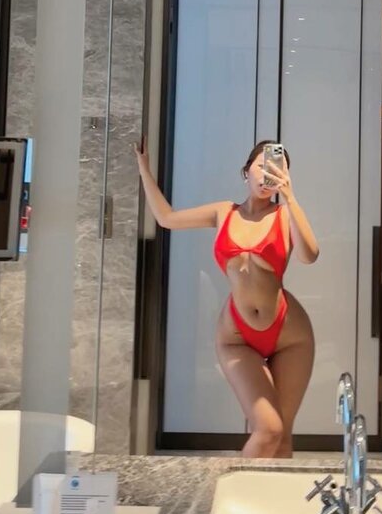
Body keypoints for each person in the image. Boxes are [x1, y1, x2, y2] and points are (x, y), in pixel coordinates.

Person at [134, 138, 319, 458]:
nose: (267, 174)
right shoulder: (224, 212)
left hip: (290, 334)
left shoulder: (284, 214)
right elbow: (167, 218)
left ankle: (270, 493)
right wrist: (143, 169)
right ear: (246, 171)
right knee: (268, 430)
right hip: (237, 337)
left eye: (277, 168)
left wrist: (290, 198)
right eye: (262, 165)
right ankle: (234, 490)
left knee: (283, 438)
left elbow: (309, 255)